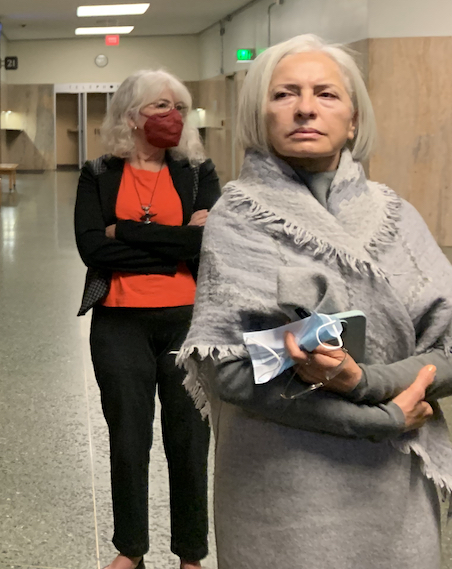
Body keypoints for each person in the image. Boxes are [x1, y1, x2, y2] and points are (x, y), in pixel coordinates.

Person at [179, 34, 452, 568]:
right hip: (283, 489)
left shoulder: (398, 219)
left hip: (396, 483)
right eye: (285, 94)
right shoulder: (238, 217)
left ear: (353, 119)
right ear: (261, 115)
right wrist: (380, 418)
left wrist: (365, 383)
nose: (305, 107)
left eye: (326, 93)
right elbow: (231, 373)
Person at [74, 69, 219, 569]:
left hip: (187, 322)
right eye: (161, 107)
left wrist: (126, 233)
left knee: (188, 439)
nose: (173, 117)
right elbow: (92, 247)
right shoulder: (97, 172)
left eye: (178, 106)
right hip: (119, 324)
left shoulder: (200, 173)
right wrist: (174, 247)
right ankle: (130, 548)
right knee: (128, 439)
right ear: (132, 116)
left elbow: (209, 244)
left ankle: (191, 554)